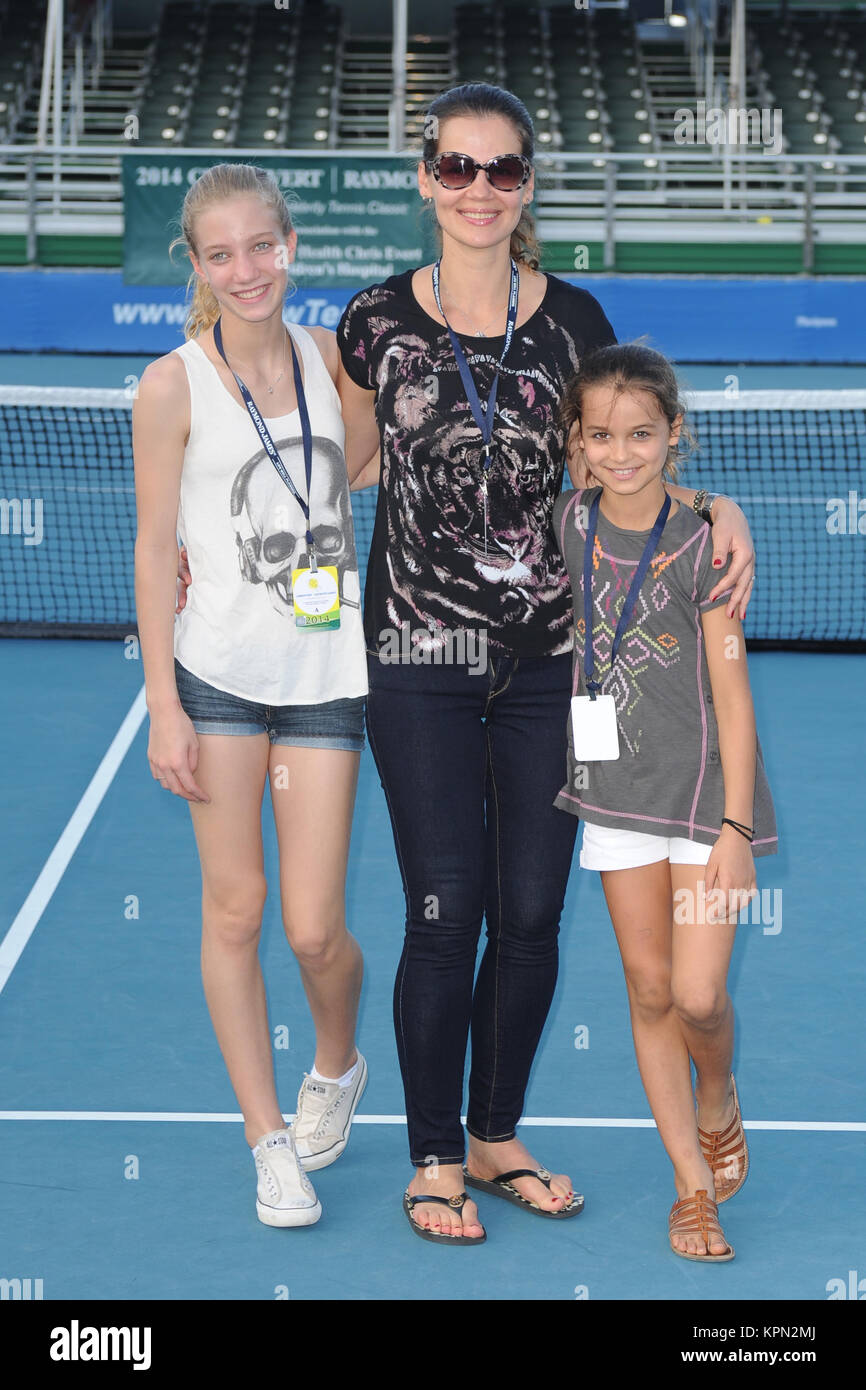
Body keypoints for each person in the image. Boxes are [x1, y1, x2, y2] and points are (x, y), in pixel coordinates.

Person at [334, 82, 758, 1244]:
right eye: (458, 168)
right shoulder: (371, 322)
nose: (479, 190)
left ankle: (492, 1134)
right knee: (445, 905)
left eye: (503, 170)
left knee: (529, 913)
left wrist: (716, 506)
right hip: (416, 656)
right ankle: (429, 1155)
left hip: (555, 667)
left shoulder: (572, 318)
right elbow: (337, 472)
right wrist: (210, 551)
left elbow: (622, 457)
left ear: (528, 184)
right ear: (425, 178)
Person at [132, 163, 368, 1228]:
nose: (244, 269)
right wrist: (163, 705)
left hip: (326, 675)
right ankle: (267, 1141)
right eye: (220, 253)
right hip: (216, 679)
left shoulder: (331, 362)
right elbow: (151, 549)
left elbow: (360, 473)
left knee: (317, 928)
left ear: (289, 246)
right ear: (195, 265)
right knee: (237, 908)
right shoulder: (170, 384)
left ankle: (335, 1065)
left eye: (260, 246)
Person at [552, 342, 778, 1261]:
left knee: (698, 994)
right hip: (615, 798)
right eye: (601, 435)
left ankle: (716, 1094)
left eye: (641, 434)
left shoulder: (703, 546)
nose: (621, 452)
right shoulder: (569, 520)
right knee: (648, 990)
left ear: (673, 435)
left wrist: (733, 827)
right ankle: (692, 1190)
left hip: (706, 804)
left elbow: (734, 698)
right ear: (577, 442)